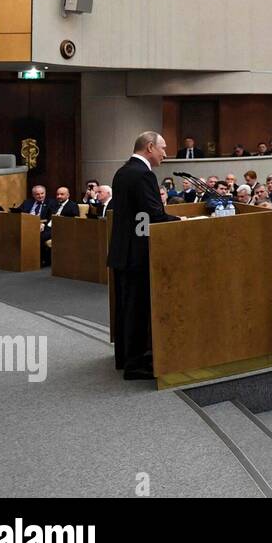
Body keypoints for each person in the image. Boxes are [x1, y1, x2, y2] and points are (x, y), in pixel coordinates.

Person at [107, 131, 182, 380]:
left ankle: (126, 358)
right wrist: (181, 220)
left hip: (122, 252)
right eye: (162, 147)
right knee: (137, 310)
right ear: (149, 147)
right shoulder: (143, 174)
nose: (165, 153)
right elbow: (154, 215)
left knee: (126, 309)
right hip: (137, 254)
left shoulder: (122, 172)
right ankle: (136, 365)